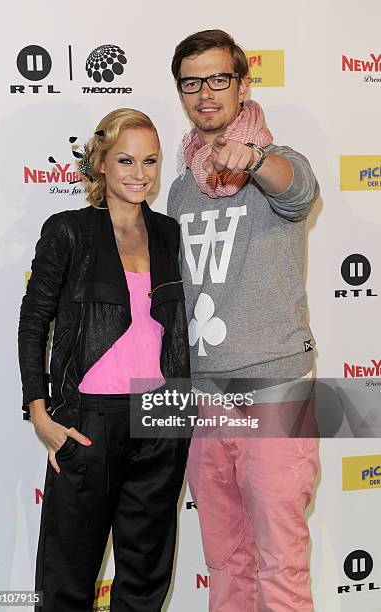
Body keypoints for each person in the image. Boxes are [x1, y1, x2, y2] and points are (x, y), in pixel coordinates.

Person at [167, 30, 320, 611]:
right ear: (180, 92)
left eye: (218, 79)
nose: (205, 93)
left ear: (242, 84)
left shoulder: (279, 162)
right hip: (204, 396)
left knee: (281, 563)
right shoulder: (180, 188)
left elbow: (298, 190)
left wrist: (254, 160)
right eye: (191, 83)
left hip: (274, 390)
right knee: (225, 562)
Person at [18, 108, 191, 612]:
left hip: (160, 418)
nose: (140, 173)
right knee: (67, 579)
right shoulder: (68, 230)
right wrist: (39, 411)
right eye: (126, 160)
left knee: (144, 578)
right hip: (90, 419)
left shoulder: (167, 233)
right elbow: (35, 322)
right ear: (101, 164)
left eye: (151, 161)